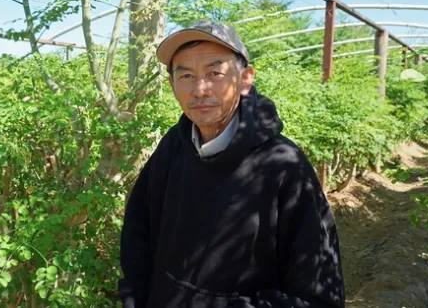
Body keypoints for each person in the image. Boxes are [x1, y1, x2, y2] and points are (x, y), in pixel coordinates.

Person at [117, 21, 345, 308]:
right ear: (173, 84)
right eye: (185, 75)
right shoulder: (173, 147)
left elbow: (318, 296)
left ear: (246, 78)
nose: (199, 89)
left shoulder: (283, 166)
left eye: (214, 73)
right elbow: (138, 234)